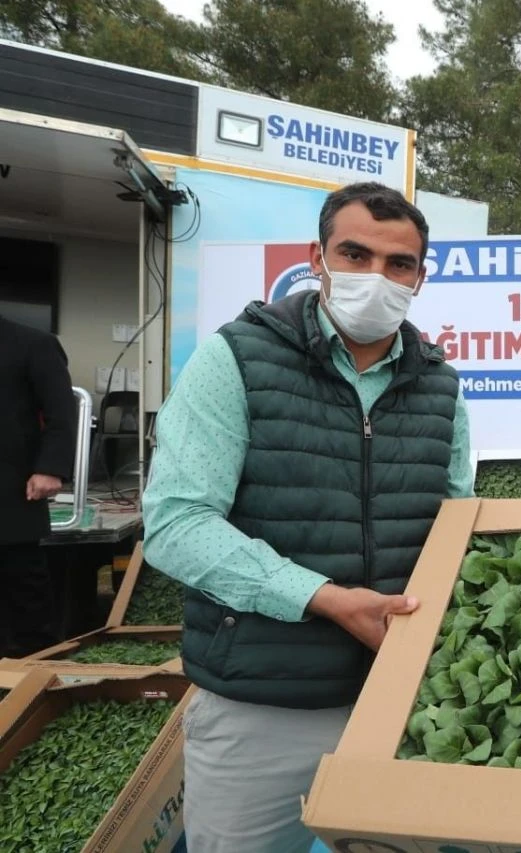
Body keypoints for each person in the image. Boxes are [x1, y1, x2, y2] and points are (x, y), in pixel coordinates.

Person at [142, 182, 475, 853]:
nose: (375, 277)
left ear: (420, 277)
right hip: (262, 707)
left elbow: (456, 526)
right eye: (355, 253)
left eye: (398, 264)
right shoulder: (236, 358)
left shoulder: (441, 385)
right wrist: (320, 597)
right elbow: (176, 523)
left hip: (404, 703)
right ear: (316, 258)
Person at [0, 314, 77, 658]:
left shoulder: (33, 344)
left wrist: (51, 468)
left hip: (11, 493)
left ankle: (33, 675)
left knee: (23, 592)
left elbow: (62, 413)